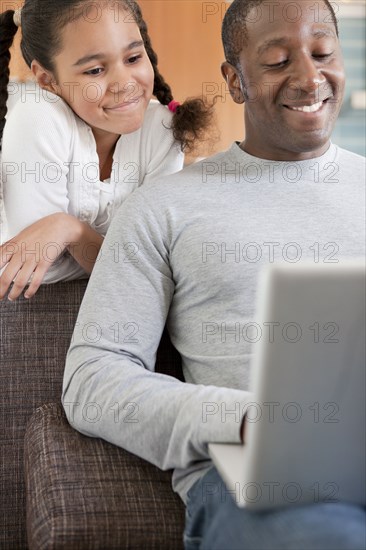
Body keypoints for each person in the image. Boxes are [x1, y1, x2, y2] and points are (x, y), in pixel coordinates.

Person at [62, 1, 366, 548]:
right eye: (276, 61)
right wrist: (244, 418)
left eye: (322, 54)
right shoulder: (162, 208)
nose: (309, 76)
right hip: (264, 484)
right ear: (235, 80)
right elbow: (93, 378)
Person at [0, 0, 212, 301]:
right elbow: (36, 268)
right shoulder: (37, 115)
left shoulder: (163, 130)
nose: (124, 84)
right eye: (96, 70)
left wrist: (69, 230)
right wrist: (118, 256)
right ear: (48, 80)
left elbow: (154, 270)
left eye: (133, 58)